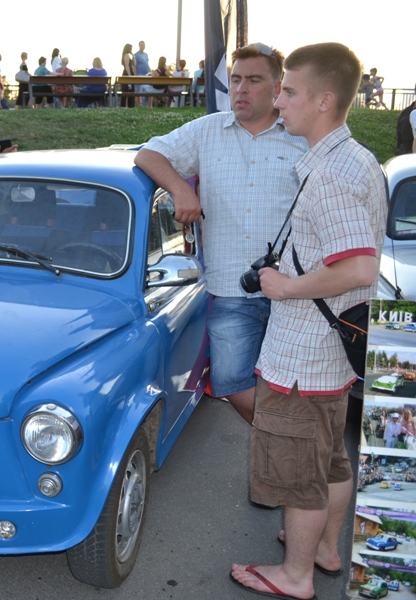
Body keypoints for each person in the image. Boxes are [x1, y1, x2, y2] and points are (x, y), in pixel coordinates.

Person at [230, 42, 388, 600]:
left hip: (303, 357)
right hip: (331, 354)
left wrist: (286, 286)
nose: (278, 98)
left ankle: (295, 576)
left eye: (288, 90)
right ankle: (322, 550)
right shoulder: (354, 158)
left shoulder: (331, 177)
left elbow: (359, 265)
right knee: (331, 461)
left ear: (324, 100)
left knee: (301, 474)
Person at [134, 43, 307, 425]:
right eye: (236, 79)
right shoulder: (208, 130)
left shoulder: (300, 135)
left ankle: (283, 456)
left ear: (278, 86)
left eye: (254, 80)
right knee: (231, 381)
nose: (241, 89)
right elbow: (147, 155)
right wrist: (181, 189)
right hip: (231, 289)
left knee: (295, 385)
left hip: (295, 290)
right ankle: (283, 446)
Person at [134, 40, 150, 107]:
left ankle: (145, 105)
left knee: (146, 90)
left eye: (144, 45)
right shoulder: (136, 55)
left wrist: (150, 71)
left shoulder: (146, 55)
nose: (143, 46)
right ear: (139, 46)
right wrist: (135, 75)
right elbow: (134, 65)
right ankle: (139, 105)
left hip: (147, 74)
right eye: (141, 45)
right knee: (139, 91)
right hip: (140, 74)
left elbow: (147, 63)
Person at [120, 43, 136, 108]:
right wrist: (129, 75)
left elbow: (134, 64)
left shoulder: (130, 56)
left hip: (131, 72)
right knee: (126, 90)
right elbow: (127, 66)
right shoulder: (126, 55)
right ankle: (124, 105)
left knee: (132, 91)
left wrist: (133, 56)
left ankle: (131, 105)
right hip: (127, 73)